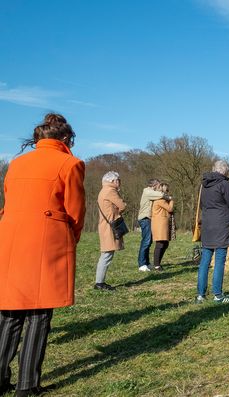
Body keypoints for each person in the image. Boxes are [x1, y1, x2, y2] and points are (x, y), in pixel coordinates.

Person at [0, 114, 85, 396]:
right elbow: (75, 211)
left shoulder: (16, 163)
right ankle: (27, 384)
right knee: (38, 314)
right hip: (46, 241)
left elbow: (9, 200)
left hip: (10, 240)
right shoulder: (70, 164)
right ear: (65, 139)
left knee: (10, 312)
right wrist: (69, 241)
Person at [196, 160, 229, 304]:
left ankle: (200, 295)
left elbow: (202, 205)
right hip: (222, 225)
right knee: (219, 261)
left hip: (207, 224)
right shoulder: (224, 183)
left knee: (205, 261)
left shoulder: (203, 185)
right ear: (224, 171)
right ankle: (218, 295)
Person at [95, 171, 127, 291]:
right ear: (113, 181)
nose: (119, 183)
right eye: (118, 180)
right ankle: (99, 283)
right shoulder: (110, 191)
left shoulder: (104, 190)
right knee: (107, 254)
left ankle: (100, 282)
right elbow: (122, 205)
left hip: (106, 225)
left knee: (106, 254)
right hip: (110, 226)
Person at [137, 178, 168, 272]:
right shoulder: (148, 192)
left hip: (148, 219)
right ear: (154, 185)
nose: (159, 187)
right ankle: (142, 264)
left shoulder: (150, 192)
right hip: (145, 218)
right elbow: (161, 194)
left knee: (149, 241)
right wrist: (168, 197)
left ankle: (146, 263)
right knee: (146, 241)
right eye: (158, 186)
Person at [151, 183, 175, 271]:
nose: (168, 193)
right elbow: (170, 209)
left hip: (162, 223)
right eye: (167, 190)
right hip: (160, 224)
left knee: (165, 243)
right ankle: (156, 265)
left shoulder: (161, 199)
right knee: (160, 244)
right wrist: (171, 201)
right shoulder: (160, 200)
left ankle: (158, 263)